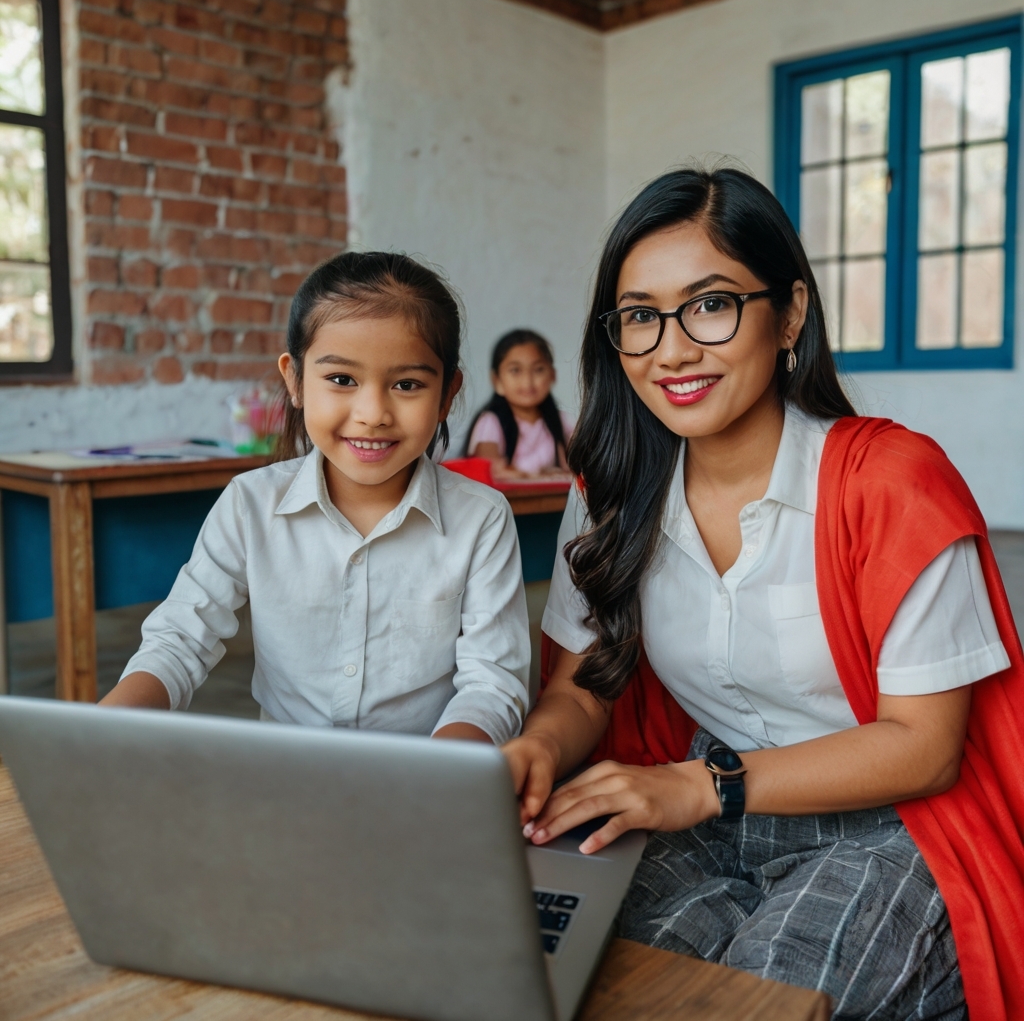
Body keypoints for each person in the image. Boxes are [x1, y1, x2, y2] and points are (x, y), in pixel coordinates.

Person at [502, 168, 1024, 1020]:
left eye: (709, 305)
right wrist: (537, 753)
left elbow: (926, 746)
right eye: (640, 317)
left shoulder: (888, 482)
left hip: (886, 826)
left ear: (788, 315)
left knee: (748, 1003)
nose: (670, 350)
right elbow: (582, 687)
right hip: (702, 811)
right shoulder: (610, 490)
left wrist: (705, 784)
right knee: (564, 970)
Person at [102, 251, 530, 746]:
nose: (372, 413)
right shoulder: (250, 505)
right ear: (295, 380)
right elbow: (179, 642)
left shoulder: (481, 518)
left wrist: (435, 781)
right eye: (342, 379)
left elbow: (492, 683)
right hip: (286, 783)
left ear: (447, 394)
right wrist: (102, 732)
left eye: (407, 384)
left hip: (423, 789)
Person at [465, 329, 573, 481]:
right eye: (515, 370)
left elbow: (576, 470)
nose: (527, 381)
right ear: (497, 381)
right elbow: (491, 474)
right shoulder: (490, 423)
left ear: (553, 375)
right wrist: (540, 476)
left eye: (538, 370)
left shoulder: (562, 421)